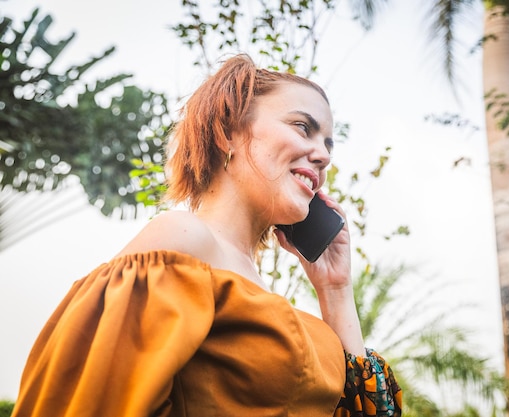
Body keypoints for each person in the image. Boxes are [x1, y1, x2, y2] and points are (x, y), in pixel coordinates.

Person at [11, 54, 402, 417]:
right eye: (303, 128)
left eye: (328, 144)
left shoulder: (256, 286)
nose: (323, 155)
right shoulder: (182, 237)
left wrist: (335, 289)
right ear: (227, 132)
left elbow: (368, 410)